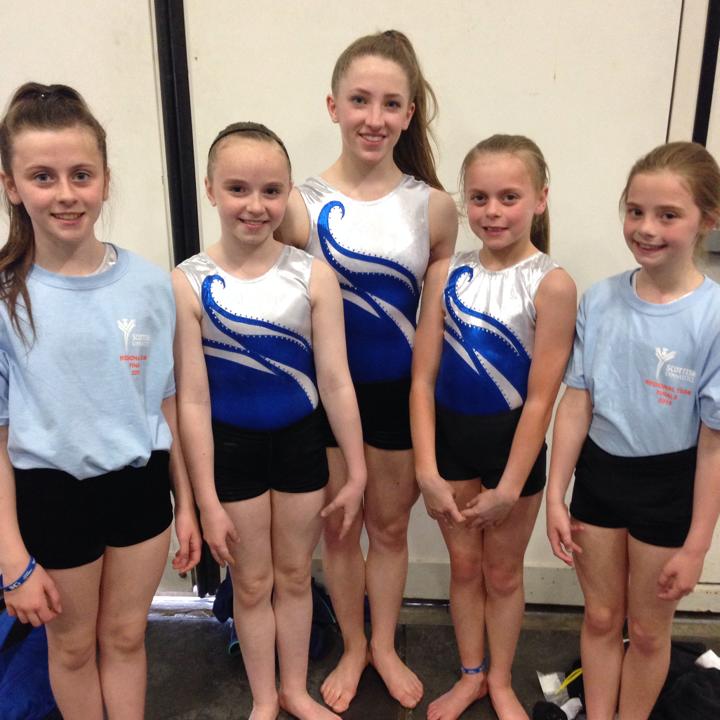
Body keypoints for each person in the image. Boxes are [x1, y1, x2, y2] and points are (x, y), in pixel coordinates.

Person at [0, 82, 201, 720]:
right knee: (72, 647)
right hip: (52, 497)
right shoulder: (6, 298)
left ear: (105, 181)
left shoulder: (148, 283)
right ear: (11, 186)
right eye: (43, 176)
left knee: (126, 637)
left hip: (139, 490)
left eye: (81, 175)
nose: (65, 193)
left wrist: (187, 505)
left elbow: (164, 403)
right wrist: (11, 557)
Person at [277, 29, 458, 711]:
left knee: (388, 528)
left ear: (409, 113)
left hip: (395, 395)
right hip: (325, 396)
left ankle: (383, 642)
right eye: (359, 100)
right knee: (339, 529)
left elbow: (431, 332)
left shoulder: (433, 207)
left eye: (390, 104)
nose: (373, 118)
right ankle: (353, 644)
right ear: (333, 106)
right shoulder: (297, 205)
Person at [173, 121, 366, 720]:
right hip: (232, 451)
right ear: (210, 190)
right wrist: (204, 499)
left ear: (288, 194)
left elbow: (336, 381)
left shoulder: (311, 274)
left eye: (271, 191)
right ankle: (263, 699)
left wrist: (357, 470)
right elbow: (192, 401)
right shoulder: (188, 282)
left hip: (299, 444)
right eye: (238, 189)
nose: (255, 206)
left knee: (296, 575)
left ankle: (294, 691)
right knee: (253, 583)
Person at [546, 141, 720, 720]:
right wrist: (555, 494)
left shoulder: (713, 317)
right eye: (636, 211)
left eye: (668, 215)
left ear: (707, 220)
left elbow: (714, 445)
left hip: (669, 485)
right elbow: (577, 404)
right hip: (601, 477)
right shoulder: (600, 301)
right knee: (600, 617)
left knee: (647, 630)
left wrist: (697, 545)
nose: (646, 228)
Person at [411, 135, 576, 720]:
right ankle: (471, 675)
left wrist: (509, 488)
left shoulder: (552, 284)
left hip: (513, 452)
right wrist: (426, 470)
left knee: (502, 574)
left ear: (540, 199)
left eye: (509, 197)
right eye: (479, 198)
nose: (493, 211)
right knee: (463, 567)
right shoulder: (444, 275)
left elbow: (540, 400)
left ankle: (501, 680)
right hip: (451, 445)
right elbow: (422, 380)